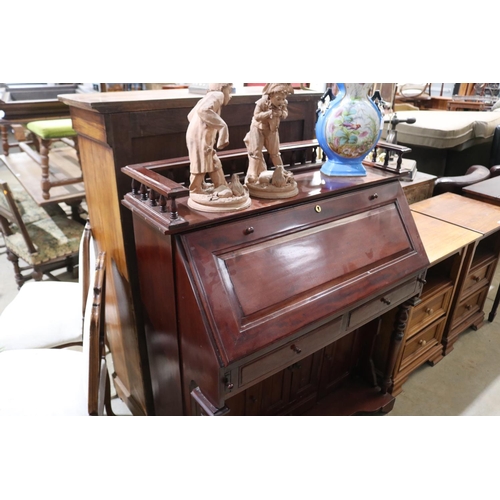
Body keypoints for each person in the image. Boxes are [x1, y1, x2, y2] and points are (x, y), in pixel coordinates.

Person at [186, 83, 233, 194]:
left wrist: (200, 127)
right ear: (222, 88)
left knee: (211, 159)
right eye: (229, 90)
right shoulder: (218, 95)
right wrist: (221, 125)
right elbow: (202, 110)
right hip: (200, 137)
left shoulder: (207, 96)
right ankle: (195, 189)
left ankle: (220, 185)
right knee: (200, 162)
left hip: (196, 134)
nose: (230, 95)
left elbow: (190, 116)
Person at [244, 83, 294, 182]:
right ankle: (253, 174)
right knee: (255, 152)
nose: (281, 101)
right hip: (258, 128)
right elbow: (256, 116)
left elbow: (285, 113)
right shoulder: (262, 102)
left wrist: (281, 113)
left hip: (272, 128)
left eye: (283, 99)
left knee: (275, 152)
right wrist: (269, 113)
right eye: (278, 99)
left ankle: (281, 171)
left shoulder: (283, 103)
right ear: (271, 96)